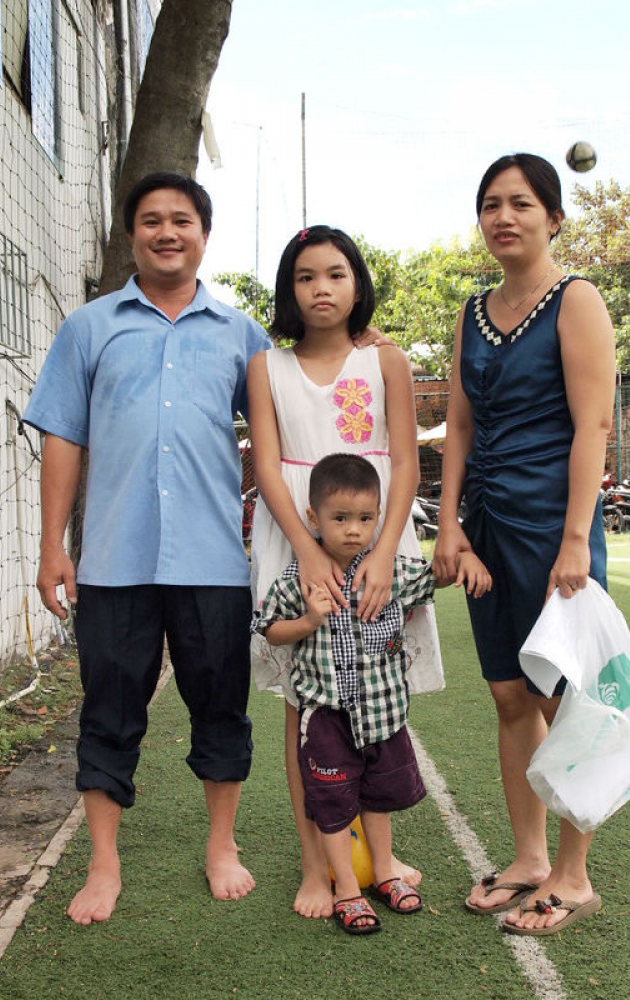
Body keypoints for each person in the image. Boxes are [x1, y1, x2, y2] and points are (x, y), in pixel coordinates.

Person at [23, 172, 270, 925]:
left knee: (222, 709)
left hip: (213, 566)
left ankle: (221, 846)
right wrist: (53, 546)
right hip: (113, 562)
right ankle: (104, 863)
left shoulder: (240, 336)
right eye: (153, 220)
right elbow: (63, 435)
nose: (168, 232)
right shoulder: (90, 328)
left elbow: (278, 428)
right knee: (108, 712)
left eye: (183, 220)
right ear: (132, 234)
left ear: (204, 234)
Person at [432, 153, 616, 936]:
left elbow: (593, 427)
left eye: (521, 203)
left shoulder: (577, 300)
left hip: (554, 532)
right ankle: (530, 857)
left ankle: (574, 876)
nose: (503, 216)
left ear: (554, 217)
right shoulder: (472, 312)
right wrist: (447, 523)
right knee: (512, 696)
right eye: (490, 204)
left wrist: (576, 539)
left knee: (576, 701)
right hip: (488, 533)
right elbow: (462, 428)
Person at [247, 225, 445, 919]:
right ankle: (317, 868)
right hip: (296, 536)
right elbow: (267, 465)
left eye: (335, 274)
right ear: (288, 289)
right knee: (308, 704)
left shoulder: (385, 360)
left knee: (375, 682)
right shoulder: (266, 367)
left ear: (356, 282)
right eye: (305, 276)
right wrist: (305, 547)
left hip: (379, 534)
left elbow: (407, 462)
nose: (320, 288)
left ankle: (379, 859)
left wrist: (386, 551)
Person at [252, 454, 487, 933]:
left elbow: (434, 577)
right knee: (333, 804)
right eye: (340, 519)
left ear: (379, 518)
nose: (354, 530)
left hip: (383, 715)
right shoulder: (300, 579)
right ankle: (346, 889)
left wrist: (464, 558)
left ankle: (384, 871)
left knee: (377, 799)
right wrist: (308, 621)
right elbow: (269, 630)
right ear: (314, 519)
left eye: (365, 519)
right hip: (326, 718)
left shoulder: (389, 572)